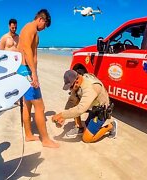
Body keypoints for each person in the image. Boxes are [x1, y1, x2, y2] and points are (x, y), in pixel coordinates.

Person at [17, 9, 59, 148]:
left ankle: (28, 135)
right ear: (41, 19)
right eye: (45, 25)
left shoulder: (27, 29)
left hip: (23, 70)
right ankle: (45, 140)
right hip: (27, 71)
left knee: (27, 104)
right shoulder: (31, 29)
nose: (44, 29)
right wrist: (34, 74)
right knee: (40, 106)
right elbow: (28, 51)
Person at [52, 70, 118, 143]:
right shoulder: (78, 82)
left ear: (76, 81)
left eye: (71, 87)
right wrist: (62, 118)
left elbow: (80, 110)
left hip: (101, 110)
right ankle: (79, 128)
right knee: (75, 104)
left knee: (86, 138)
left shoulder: (91, 87)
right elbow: (71, 100)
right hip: (92, 107)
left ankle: (111, 126)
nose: (71, 89)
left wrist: (61, 115)